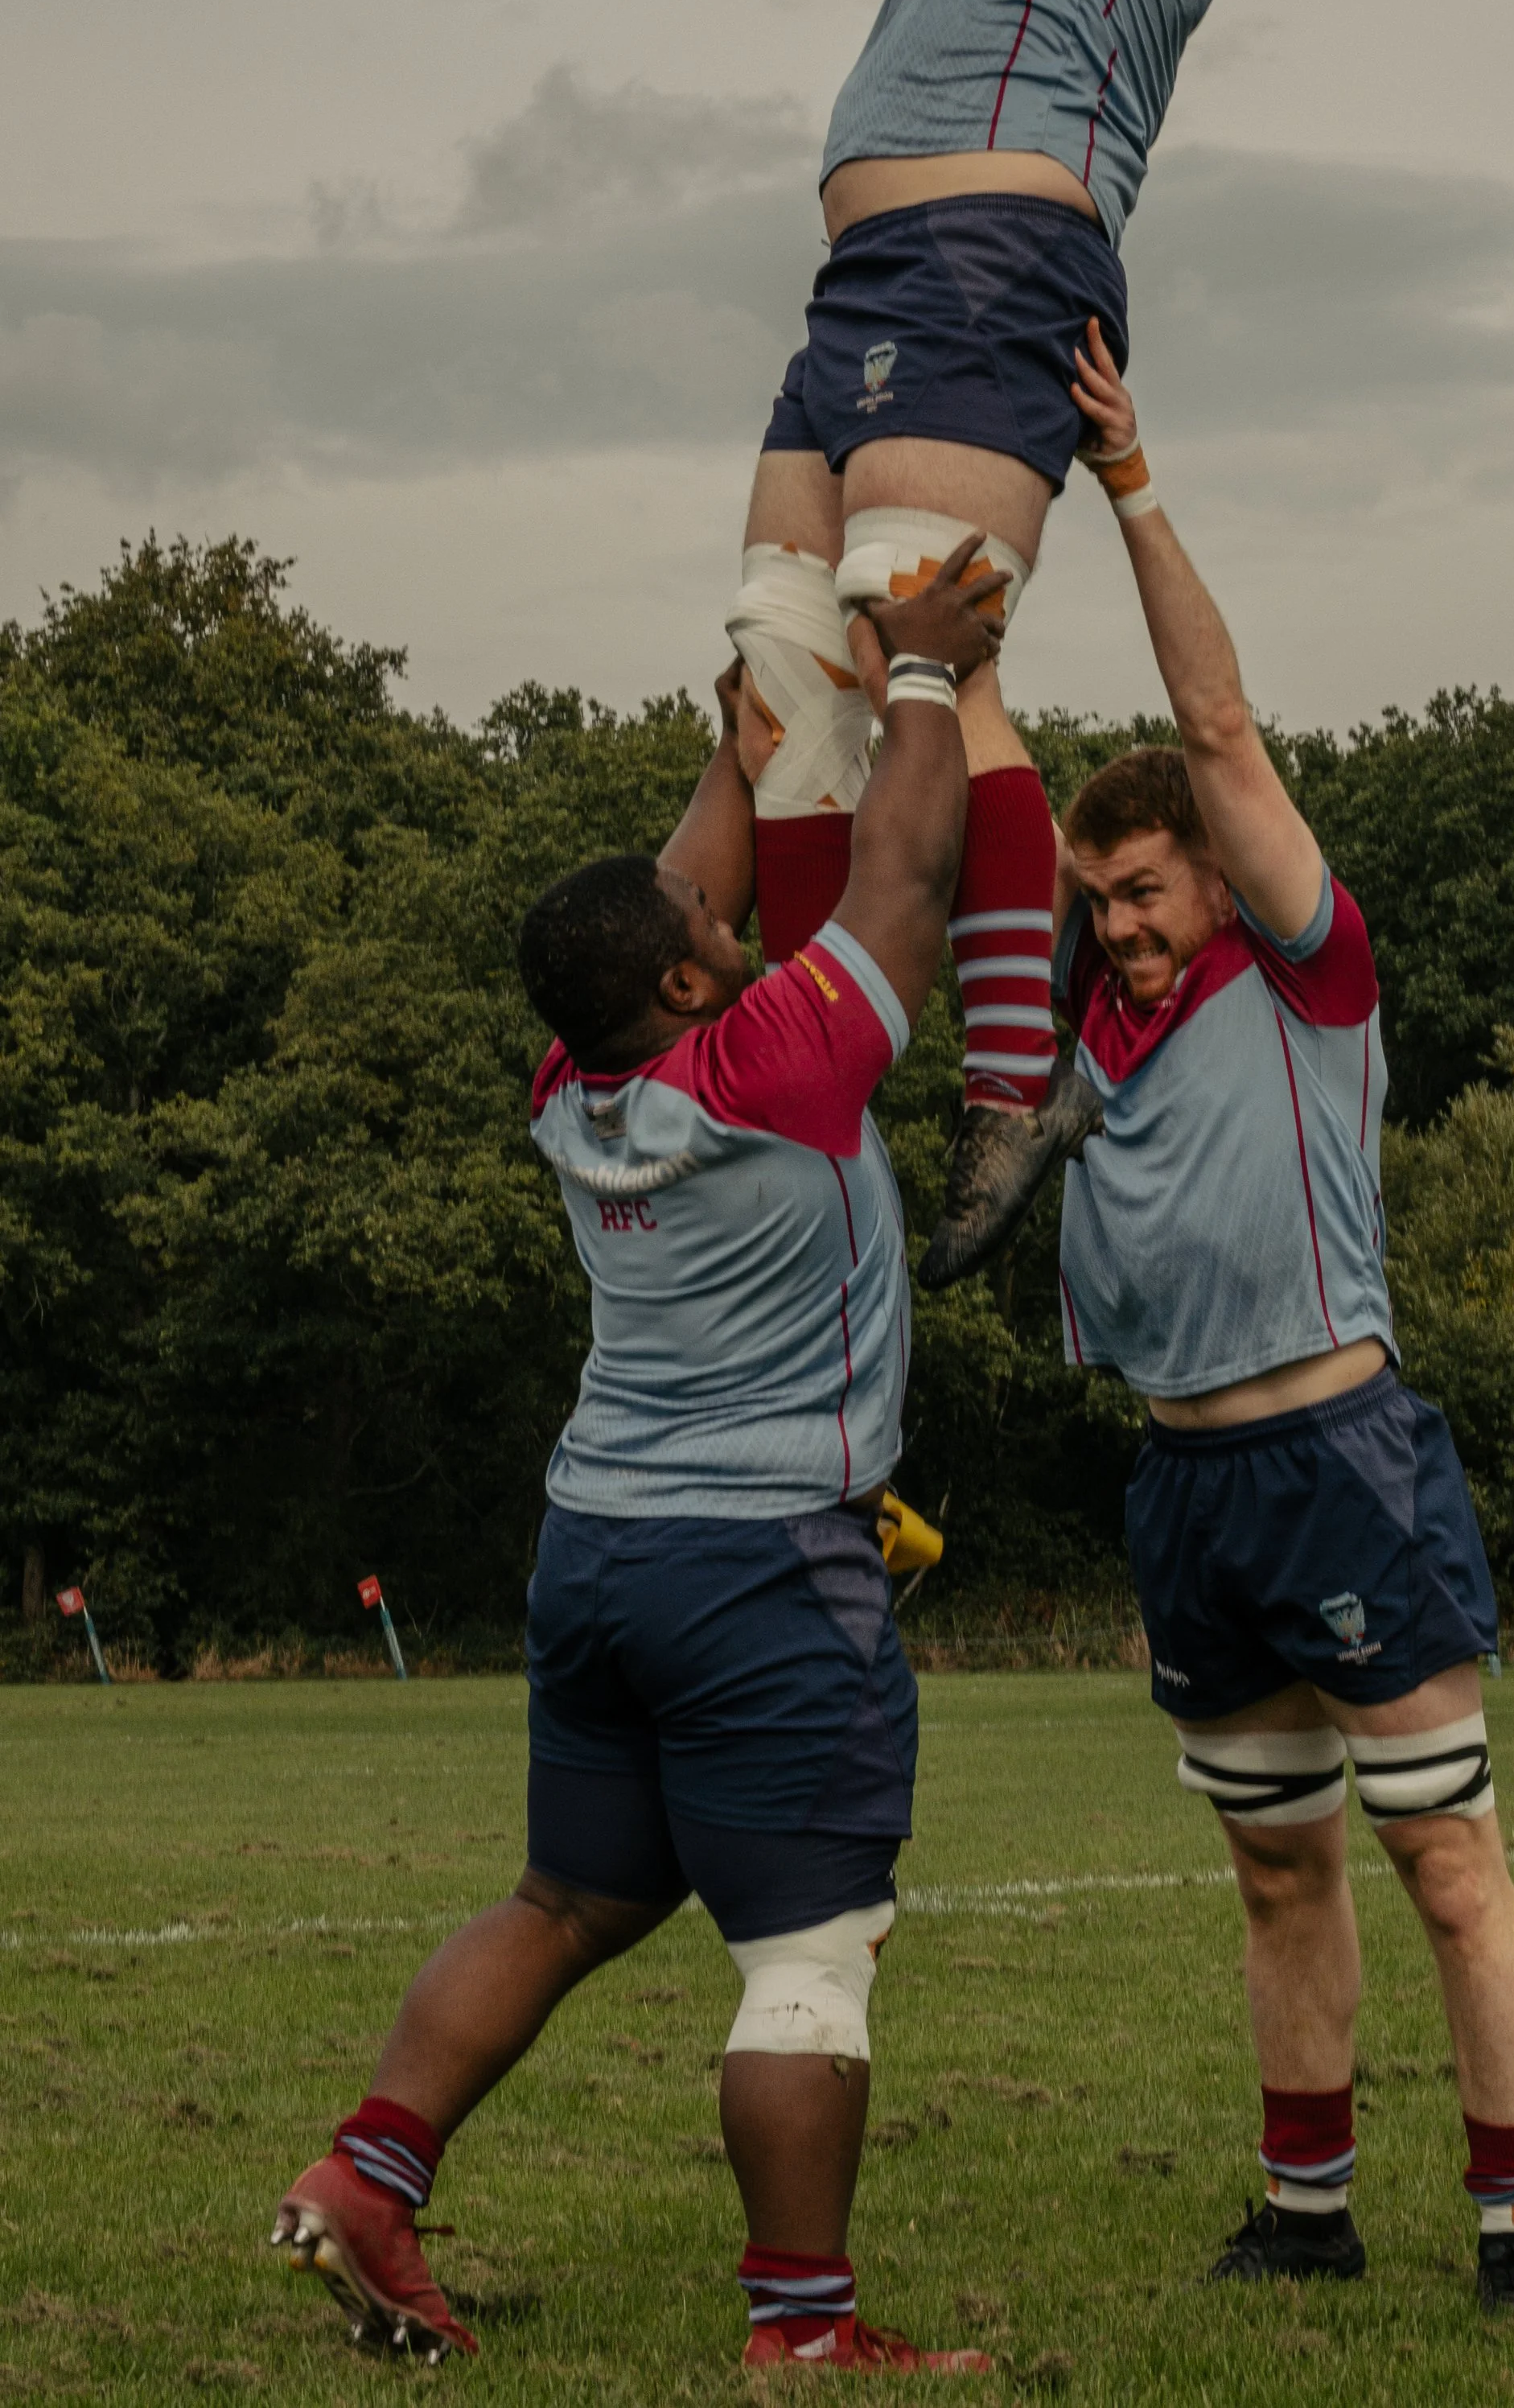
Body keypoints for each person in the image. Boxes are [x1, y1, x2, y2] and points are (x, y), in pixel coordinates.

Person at [270, 554, 1006, 2374]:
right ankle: (806, 2334)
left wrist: (741, 753)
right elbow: (908, 879)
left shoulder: (569, 1083)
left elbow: (666, 906)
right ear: (689, 978)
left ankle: (369, 2176)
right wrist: (918, 671)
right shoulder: (772, 1065)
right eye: (710, 918)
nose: (730, 912)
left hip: (597, 1550)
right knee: (810, 1954)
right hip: (761, 1563)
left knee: (568, 1898)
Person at [1048, 327, 1514, 2318]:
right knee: (1276, 1869)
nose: (1123, 922)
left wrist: (1123, 483)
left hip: (1336, 1458)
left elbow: (1224, 727)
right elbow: (994, 834)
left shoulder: (1303, 971)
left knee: (1447, 1861)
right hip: (1183, 1485)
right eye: (1102, 898)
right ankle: (1305, 2218)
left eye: (1148, 886)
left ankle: (1509, 2234)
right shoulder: (1096, 1016)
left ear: (1213, 873)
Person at [726, 0, 1229, 1288]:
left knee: (920, 637)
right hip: (862, 284)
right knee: (787, 677)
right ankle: (813, 1080)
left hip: (993, 262)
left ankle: (1009, 1084)